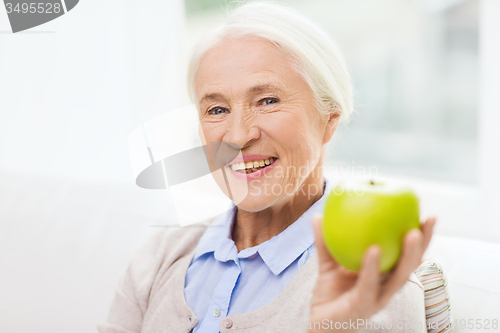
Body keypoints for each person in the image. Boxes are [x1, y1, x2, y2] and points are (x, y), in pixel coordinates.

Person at [97, 1, 435, 332]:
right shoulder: (159, 257)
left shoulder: (373, 288)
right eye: (216, 110)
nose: (239, 136)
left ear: (328, 119)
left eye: (268, 101)